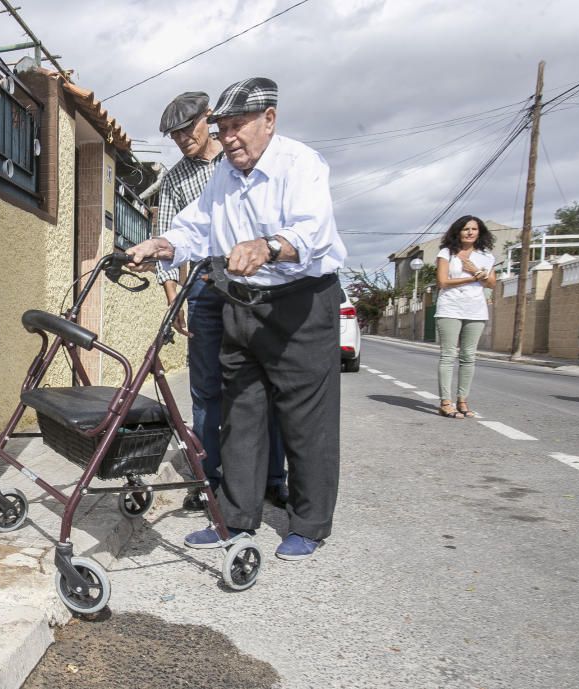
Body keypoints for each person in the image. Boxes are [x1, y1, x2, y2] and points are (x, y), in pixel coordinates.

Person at [127, 77, 346, 561]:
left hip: (300, 305)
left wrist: (268, 246)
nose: (229, 139)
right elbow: (196, 226)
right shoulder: (225, 175)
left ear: (269, 119)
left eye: (238, 126)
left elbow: (314, 233)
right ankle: (235, 517)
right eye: (222, 128)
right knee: (240, 415)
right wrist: (162, 244)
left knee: (304, 420)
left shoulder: (300, 164)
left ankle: (308, 524)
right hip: (240, 305)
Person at [153, 91, 288, 512]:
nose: (182, 140)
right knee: (206, 389)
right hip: (204, 286)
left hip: (255, 282)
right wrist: (174, 299)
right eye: (173, 136)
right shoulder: (174, 180)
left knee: (262, 383)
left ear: (207, 119)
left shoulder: (240, 158)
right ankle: (208, 479)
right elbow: (168, 237)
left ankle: (271, 478)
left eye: (187, 130)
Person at [434, 215, 497, 419]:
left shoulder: (486, 256)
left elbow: (492, 283)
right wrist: (474, 277)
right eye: (465, 229)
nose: (470, 232)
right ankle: (445, 402)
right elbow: (443, 282)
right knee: (448, 355)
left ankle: (462, 400)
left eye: (474, 229)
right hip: (450, 308)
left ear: (480, 232)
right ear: (458, 232)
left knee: (468, 356)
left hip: (476, 309)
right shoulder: (447, 253)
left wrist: (477, 271)